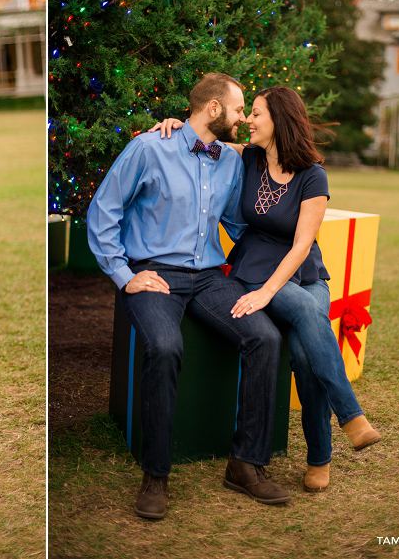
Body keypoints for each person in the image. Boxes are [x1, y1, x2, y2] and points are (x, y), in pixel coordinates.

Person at [151, 86, 381, 493]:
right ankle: (350, 418)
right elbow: (201, 137)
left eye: (256, 114)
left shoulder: (313, 175)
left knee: (309, 350)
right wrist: (170, 124)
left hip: (304, 274)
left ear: (280, 119)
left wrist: (270, 293)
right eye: (248, 113)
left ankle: (319, 456)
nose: (248, 121)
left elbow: (302, 245)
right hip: (254, 269)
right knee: (312, 321)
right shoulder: (248, 157)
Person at [87, 73, 291, 520]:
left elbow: (239, 225)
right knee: (164, 346)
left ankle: (246, 464)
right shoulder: (149, 147)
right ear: (214, 109)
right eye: (239, 110)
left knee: (266, 338)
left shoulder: (231, 161)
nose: (242, 119)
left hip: (210, 277)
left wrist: (282, 260)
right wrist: (124, 275)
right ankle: (156, 474)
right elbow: (103, 211)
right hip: (154, 273)